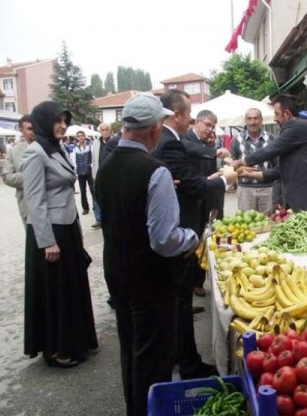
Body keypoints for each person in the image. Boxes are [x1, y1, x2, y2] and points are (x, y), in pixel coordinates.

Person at [95, 92, 198, 415]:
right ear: (154, 130)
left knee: (130, 349)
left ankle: (134, 407)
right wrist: (192, 237)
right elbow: (164, 239)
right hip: (150, 279)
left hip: (117, 271)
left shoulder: (106, 166)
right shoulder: (155, 171)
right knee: (153, 358)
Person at [153, 90, 236, 379]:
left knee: (179, 300)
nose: (190, 119)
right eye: (188, 113)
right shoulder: (169, 143)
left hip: (179, 229)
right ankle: (187, 364)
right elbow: (191, 184)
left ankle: (181, 357)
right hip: (178, 232)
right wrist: (225, 180)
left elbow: (187, 178)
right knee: (179, 302)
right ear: (176, 114)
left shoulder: (169, 142)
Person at [21, 101, 98, 368]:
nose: (63, 125)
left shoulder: (56, 149)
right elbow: (34, 200)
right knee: (56, 292)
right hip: (50, 233)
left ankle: (77, 340)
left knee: (71, 287)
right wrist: (47, 241)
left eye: (65, 121)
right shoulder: (35, 152)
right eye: (57, 121)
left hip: (66, 227)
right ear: (44, 121)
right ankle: (57, 348)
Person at [232, 94, 307, 227]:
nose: (274, 118)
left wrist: (241, 162)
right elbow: (279, 171)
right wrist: (250, 174)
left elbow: (270, 149)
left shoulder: (296, 127)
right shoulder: (292, 137)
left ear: (287, 114)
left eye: (276, 114)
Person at [182, 110, 231, 222]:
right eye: (207, 125)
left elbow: (211, 172)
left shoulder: (208, 143)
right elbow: (192, 149)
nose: (210, 129)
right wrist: (215, 152)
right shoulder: (185, 139)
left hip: (208, 198)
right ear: (197, 122)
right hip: (192, 199)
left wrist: (215, 204)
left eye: (213, 127)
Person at [230, 108, 277, 215]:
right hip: (245, 190)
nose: (252, 122)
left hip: (267, 189)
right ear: (245, 121)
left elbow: (277, 166)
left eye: (256, 118)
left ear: (261, 120)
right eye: (249, 118)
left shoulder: (271, 139)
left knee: (268, 224)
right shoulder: (236, 140)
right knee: (245, 226)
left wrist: (276, 195)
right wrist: (241, 169)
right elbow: (230, 164)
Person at [2, 115, 35, 226]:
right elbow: (6, 176)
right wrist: (31, 176)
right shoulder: (14, 151)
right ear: (21, 130)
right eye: (29, 129)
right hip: (26, 205)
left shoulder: (48, 148)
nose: (33, 131)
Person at [89, 122, 113, 229]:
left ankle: (110, 219)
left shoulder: (114, 142)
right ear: (100, 131)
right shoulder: (95, 143)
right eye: (103, 130)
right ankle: (99, 220)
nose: (105, 132)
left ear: (110, 130)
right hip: (98, 175)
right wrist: (94, 174)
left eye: (107, 129)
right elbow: (94, 161)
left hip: (111, 176)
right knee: (96, 198)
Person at [71, 131, 95, 215]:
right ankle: (85, 208)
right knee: (82, 191)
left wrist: (91, 167)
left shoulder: (90, 146)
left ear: (84, 136)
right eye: (78, 136)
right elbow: (74, 161)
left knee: (93, 190)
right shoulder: (75, 148)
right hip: (80, 172)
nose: (80, 138)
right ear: (77, 138)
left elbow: (93, 158)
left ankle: (95, 207)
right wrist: (76, 173)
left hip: (89, 171)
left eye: (82, 136)